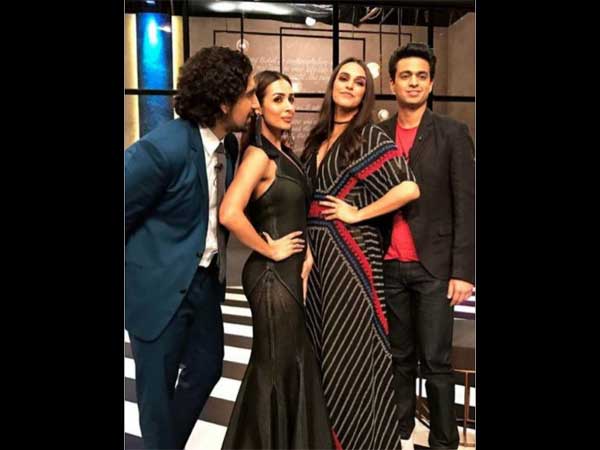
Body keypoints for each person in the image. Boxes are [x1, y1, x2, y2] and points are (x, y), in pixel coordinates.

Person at [125, 46, 259, 450]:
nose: (255, 105)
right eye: (249, 94)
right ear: (223, 102)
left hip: (202, 284)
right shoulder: (161, 149)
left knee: (207, 368)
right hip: (157, 290)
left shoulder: (227, 146)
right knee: (156, 397)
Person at [301, 57, 420, 450]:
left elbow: (409, 188)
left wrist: (358, 213)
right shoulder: (318, 137)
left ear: (366, 94)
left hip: (352, 255)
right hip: (319, 255)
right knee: (322, 348)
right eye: (344, 78)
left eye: (359, 82)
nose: (350, 85)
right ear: (332, 84)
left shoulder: (369, 136)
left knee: (351, 349)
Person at [219, 70, 333, 450]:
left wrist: (307, 252)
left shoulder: (284, 154)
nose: (289, 107)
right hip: (270, 276)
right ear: (258, 106)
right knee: (275, 368)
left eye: (291, 99)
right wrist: (269, 249)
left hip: (289, 272)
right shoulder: (258, 155)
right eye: (278, 99)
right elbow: (229, 212)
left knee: (289, 365)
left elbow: (296, 211)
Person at [378, 42, 475, 450]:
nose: (414, 82)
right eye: (406, 75)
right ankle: (397, 432)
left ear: (431, 83)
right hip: (388, 264)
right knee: (398, 355)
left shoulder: (452, 133)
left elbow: (467, 204)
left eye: (421, 76)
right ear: (392, 83)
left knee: (436, 360)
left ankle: (443, 440)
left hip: (434, 266)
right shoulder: (378, 135)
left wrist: (463, 271)